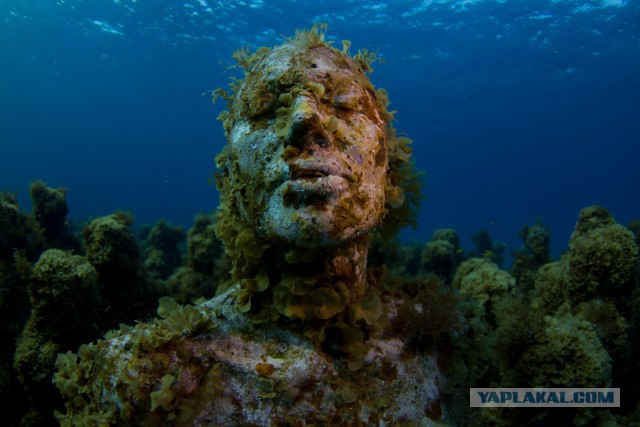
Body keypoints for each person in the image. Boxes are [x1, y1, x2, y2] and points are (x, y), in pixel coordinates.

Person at [54, 25, 439, 426]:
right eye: (265, 109)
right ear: (230, 171)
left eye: (343, 104)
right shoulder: (144, 384)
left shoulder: (451, 352)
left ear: (388, 163)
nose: (305, 120)